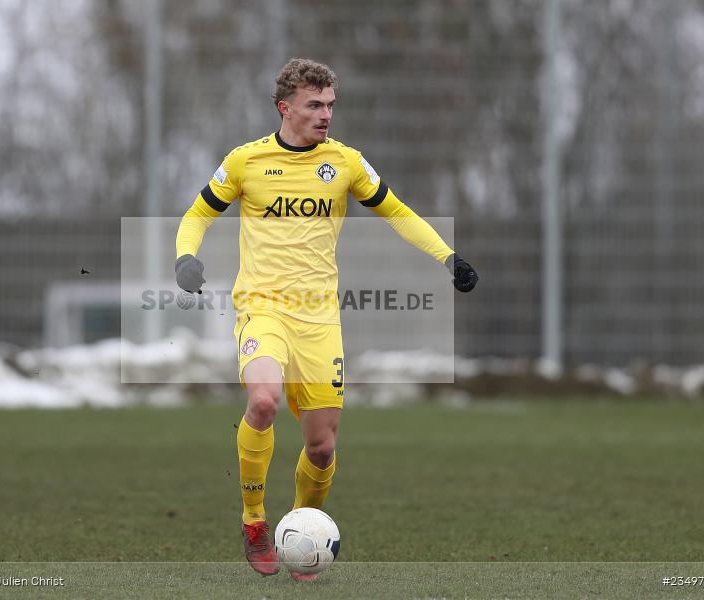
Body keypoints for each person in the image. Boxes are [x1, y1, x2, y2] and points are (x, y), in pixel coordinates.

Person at [174, 58, 478, 580]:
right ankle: (254, 522)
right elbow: (198, 214)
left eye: (331, 105)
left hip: (319, 320)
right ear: (285, 108)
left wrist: (448, 257)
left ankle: (299, 531)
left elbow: (397, 212)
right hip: (263, 308)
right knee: (263, 400)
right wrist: (185, 258)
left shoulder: (346, 163)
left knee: (322, 447)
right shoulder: (246, 161)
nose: (326, 115)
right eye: (314, 105)